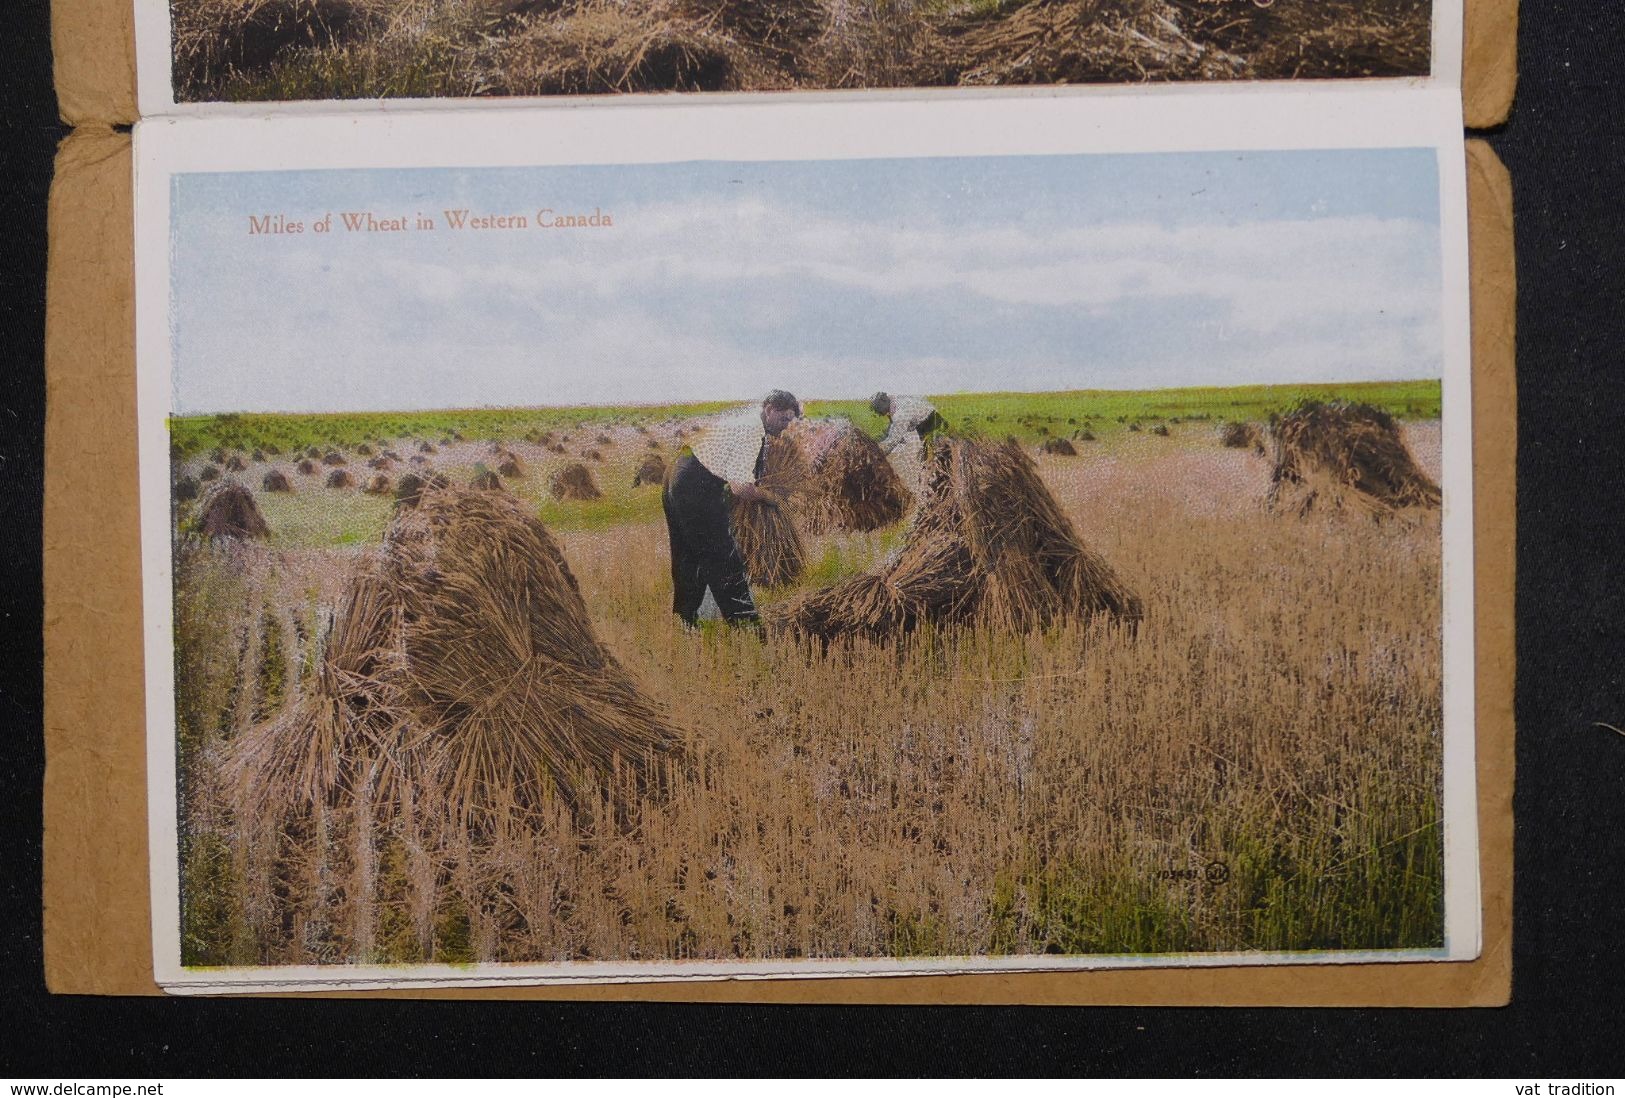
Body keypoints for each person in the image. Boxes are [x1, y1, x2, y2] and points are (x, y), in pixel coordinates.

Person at [663, 390, 802, 628]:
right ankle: (746, 624)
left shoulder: (746, 420)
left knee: (687, 553)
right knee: (722, 556)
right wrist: (770, 498)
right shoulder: (751, 431)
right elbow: (741, 487)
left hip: (679, 472)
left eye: (790, 421)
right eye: (784, 419)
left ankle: (685, 620)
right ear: (769, 410)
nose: (785, 427)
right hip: (696, 484)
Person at [870, 392, 947, 492]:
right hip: (930, 421)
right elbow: (891, 430)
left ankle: (932, 489)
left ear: (884, 401)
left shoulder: (899, 414)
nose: (878, 413)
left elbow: (893, 440)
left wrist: (876, 452)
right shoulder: (897, 400)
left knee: (932, 461)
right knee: (922, 458)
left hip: (933, 426)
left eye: (877, 408)